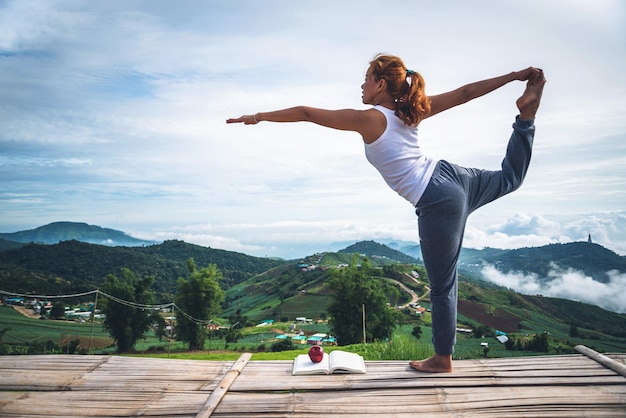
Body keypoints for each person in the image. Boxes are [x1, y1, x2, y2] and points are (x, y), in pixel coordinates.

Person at [227, 53, 546, 373]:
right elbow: (465, 94)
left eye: (366, 78)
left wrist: (258, 116)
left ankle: (442, 360)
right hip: (455, 177)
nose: (362, 85)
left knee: (442, 285)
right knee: (509, 179)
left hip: (436, 197)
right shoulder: (412, 111)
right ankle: (526, 119)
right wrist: (514, 75)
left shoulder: (371, 118)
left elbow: (307, 112)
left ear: (380, 84)